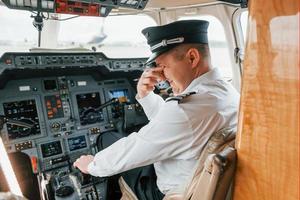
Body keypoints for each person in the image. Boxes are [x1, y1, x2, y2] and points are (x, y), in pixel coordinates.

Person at [73, 20, 240, 198]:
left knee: (108, 141)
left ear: (192, 58)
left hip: (173, 191)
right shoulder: (227, 92)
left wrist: (92, 165)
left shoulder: (186, 109)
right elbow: (173, 128)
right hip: (200, 182)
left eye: (164, 67)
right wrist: (146, 96)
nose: (162, 76)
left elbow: (134, 149)